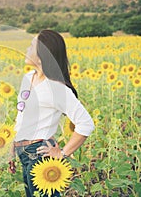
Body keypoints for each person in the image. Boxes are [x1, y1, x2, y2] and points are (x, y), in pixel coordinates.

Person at [9, 30, 95, 197]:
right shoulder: (28, 78)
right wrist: (13, 144)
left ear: (42, 55)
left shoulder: (56, 88)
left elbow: (86, 123)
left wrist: (62, 154)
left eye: (32, 46)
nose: (27, 49)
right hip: (23, 152)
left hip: (39, 153)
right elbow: (22, 115)